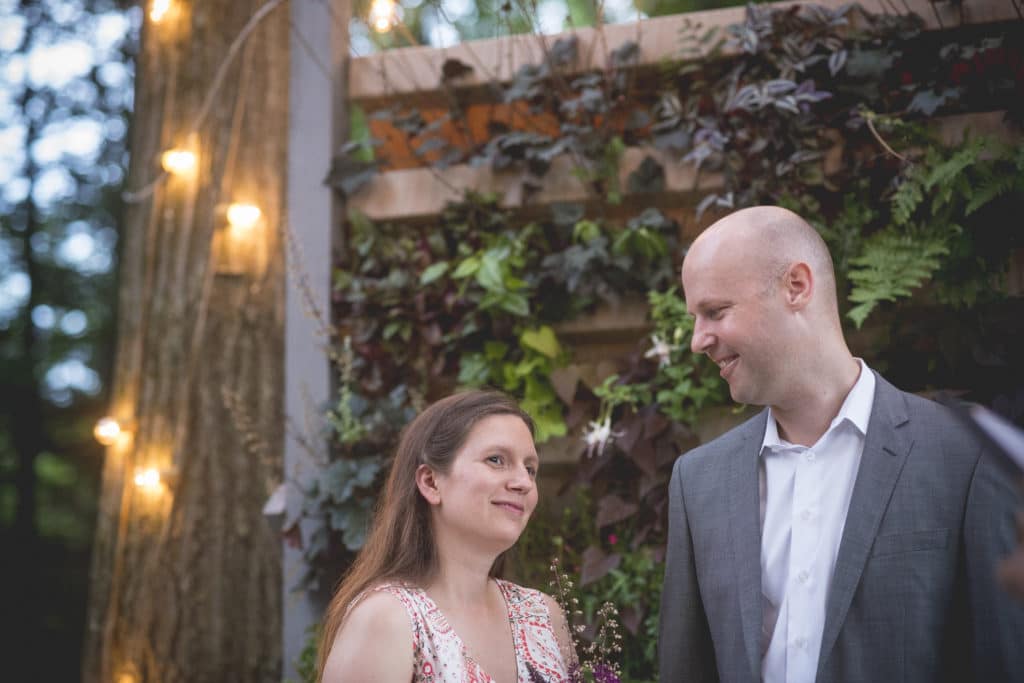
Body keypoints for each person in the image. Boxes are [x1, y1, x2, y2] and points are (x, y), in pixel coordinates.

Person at [659, 206, 1024, 682]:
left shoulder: (962, 457)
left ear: (797, 286)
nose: (697, 340)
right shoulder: (698, 480)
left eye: (714, 311)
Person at [318, 390, 573, 683]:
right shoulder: (388, 621)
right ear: (430, 482)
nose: (523, 482)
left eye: (530, 469)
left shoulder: (543, 617)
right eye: (496, 460)